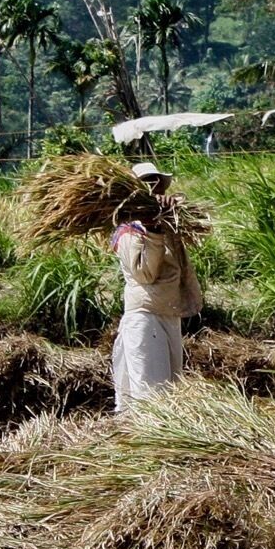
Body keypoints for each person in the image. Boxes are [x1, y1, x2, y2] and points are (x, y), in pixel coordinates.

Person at [110, 162, 203, 411]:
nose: (153, 188)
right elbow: (145, 273)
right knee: (151, 395)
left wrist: (165, 223)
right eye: (146, 183)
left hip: (169, 312)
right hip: (145, 317)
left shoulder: (166, 222)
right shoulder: (129, 229)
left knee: (171, 391)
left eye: (155, 182)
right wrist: (151, 229)